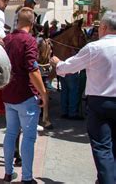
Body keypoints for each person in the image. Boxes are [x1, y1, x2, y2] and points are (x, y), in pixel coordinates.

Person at [50, 11, 116, 184]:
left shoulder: (94, 47)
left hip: (99, 103)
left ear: (103, 27)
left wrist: (57, 63)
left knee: (102, 148)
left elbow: (68, 67)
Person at [1, 7, 48, 184]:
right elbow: (33, 70)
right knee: (28, 137)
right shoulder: (29, 41)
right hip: (26, 96)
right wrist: (44, 94)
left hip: (8, 95)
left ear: (18, 21)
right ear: (32, 23)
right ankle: (27, 178)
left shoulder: (6, 39)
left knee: (11, 134)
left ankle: (7, 173)